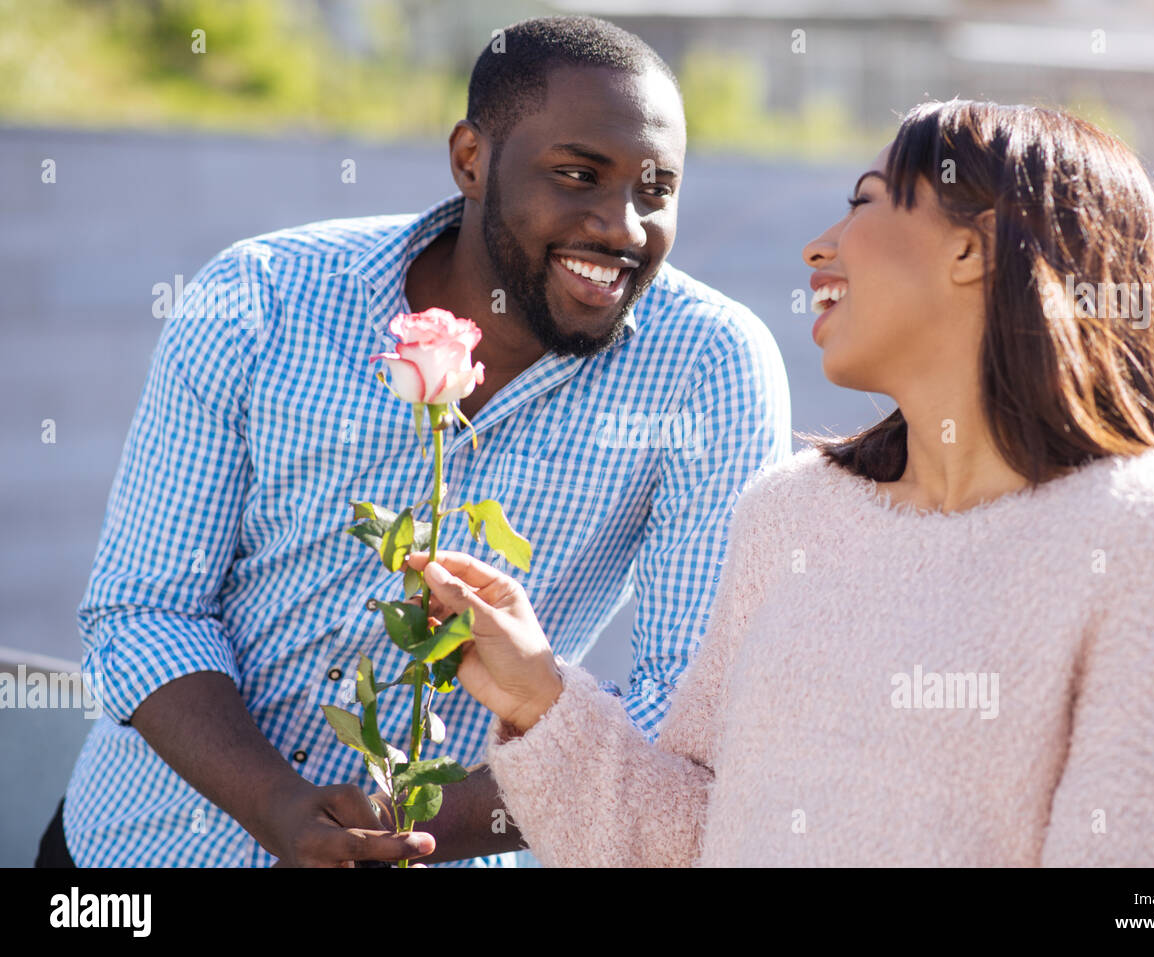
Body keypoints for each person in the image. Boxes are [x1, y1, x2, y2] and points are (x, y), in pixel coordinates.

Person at [401, 99, 1154, 866]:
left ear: (974, 247)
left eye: (865, 200)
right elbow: (693, 840)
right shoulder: (791, 515)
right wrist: (539, 697)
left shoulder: (1148, 534)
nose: (820, 246)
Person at [40, 16, 790, 868]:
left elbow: (688, 707)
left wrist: (408, 839)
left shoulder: (709, 366)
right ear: (471, 158)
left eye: (656, 189)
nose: (623, 226)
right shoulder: (259, 296)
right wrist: (278, 806)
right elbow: (146, 608)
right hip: (140, 855)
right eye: (578, 174)